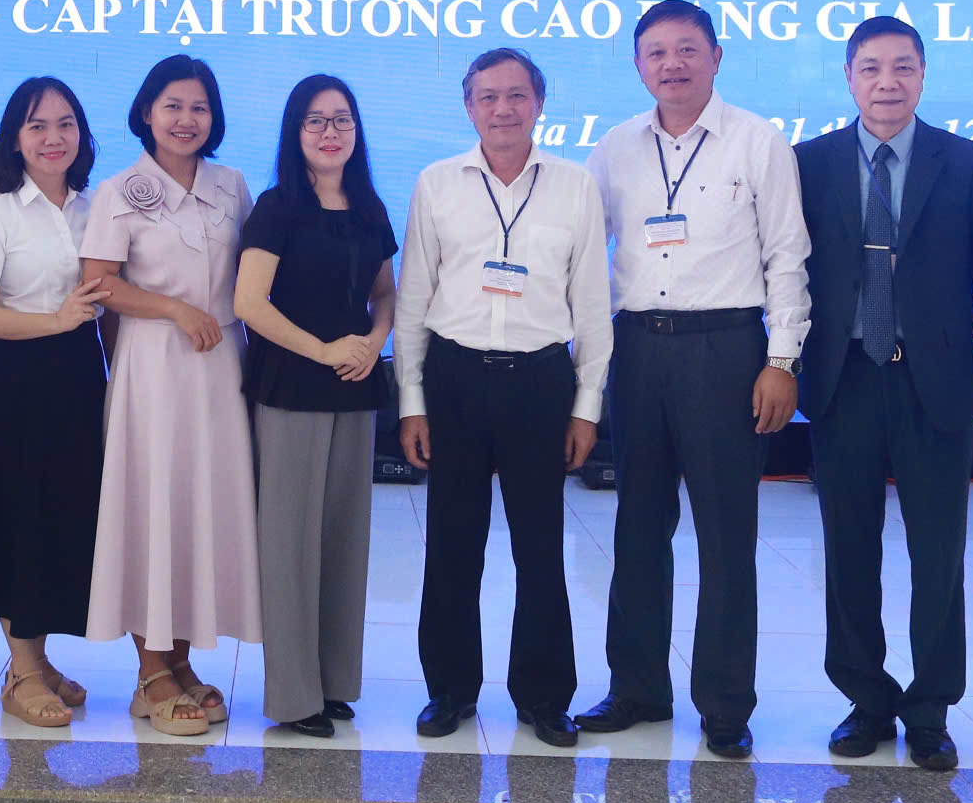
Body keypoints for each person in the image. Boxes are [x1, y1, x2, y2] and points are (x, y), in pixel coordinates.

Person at [795, 16, 973, 771]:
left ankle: (931, 708)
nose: (887, 83)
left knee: (938, 553)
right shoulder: (808, 163)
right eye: (871, 68)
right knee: (848, 549)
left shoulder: (964, 162)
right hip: (842, 379)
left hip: (933, 383)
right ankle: (866, 700)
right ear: (848, 77)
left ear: (923, 75)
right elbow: (781, 269)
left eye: (903, 67)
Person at [580, 0, 810, 759]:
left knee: (725, 533)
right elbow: (582, 253)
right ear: (638, 65)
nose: (671, 64)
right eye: (656, 52)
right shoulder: (615, 148)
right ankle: (638, 688)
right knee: (637, 528)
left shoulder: (757, 140)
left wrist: (782, 360)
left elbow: (787, 255)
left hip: (726, 350)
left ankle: (724, 705)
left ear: (716, 56)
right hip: (638, 349)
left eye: (686, 49)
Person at [393, 47, 612, 749]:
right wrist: (411, 400)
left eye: (517, 95)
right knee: (452, 547)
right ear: (469, 107)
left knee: (540, 549)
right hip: (454, 378)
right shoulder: (437, 183)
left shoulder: (576, 186)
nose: (503, 109)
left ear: (539, 104)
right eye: (488, 97)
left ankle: (543, 696)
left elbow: (593, 304)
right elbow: (413, 298)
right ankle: (450, 689)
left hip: (541, 382)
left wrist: (586, 406)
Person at [81, 53, 262, 736]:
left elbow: (253, 274)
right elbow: (99, 284)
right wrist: (174, 309)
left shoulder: (231, 184)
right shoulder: (119, 190)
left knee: (199, 511)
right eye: (173, 106)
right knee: (153, 508)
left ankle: (181, 661)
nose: (187, 119)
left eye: (199, 107)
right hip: (154, 368)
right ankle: (150, 669)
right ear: (146, 112)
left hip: (221, 371)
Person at [233, 74, 398, 739]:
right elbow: (249, 303)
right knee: (289, 543)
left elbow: (385, 295)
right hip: (291, 388)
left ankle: (333, 683)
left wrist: (373, 344)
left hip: (354, 385)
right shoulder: (277, 208)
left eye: (342, 120)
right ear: (294, 132)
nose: (331, 132)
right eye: (315, 120)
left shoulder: (369, 207)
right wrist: (324, 350)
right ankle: (293, 694)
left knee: (343, 539)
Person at [0, 76, 110, 729]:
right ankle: (21, 671)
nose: (53, 137)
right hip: (19, 380)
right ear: (16, 137)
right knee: (18, 521)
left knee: (63, 519)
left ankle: (39, 659)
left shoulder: (97, 209)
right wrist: (58, 321)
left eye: (65, 124)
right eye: (37, 125)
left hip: (81, 379)